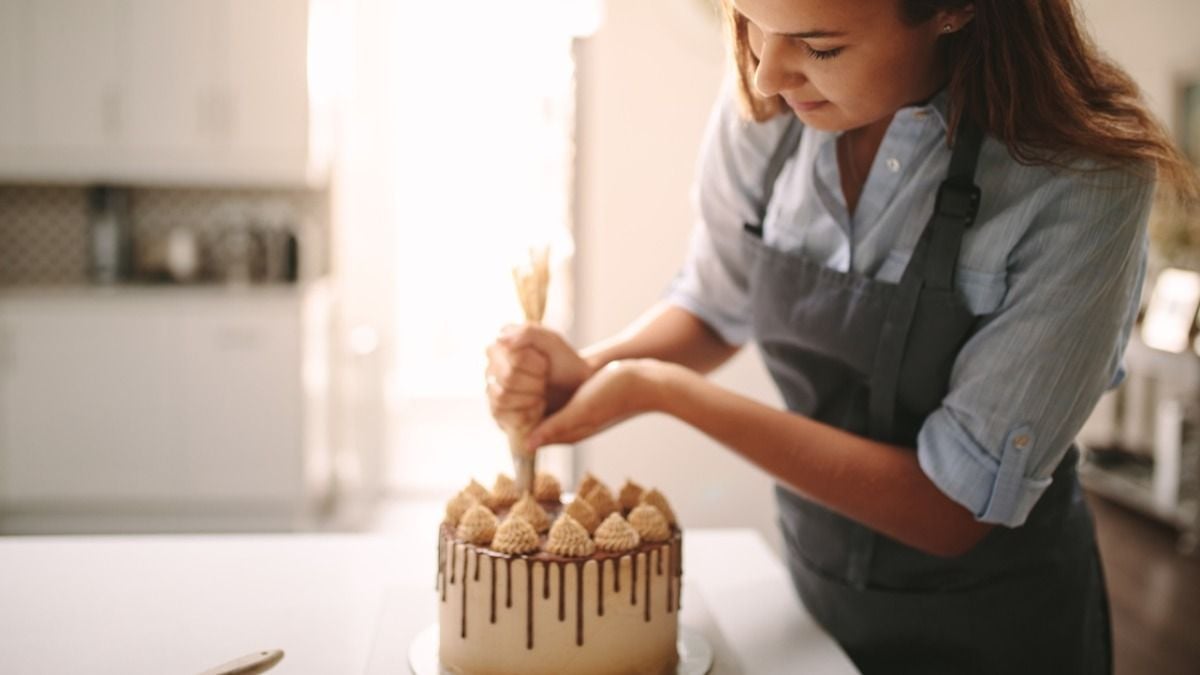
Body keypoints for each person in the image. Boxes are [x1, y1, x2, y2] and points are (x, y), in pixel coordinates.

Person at [485, 1, 1199, 672]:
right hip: (813, 591)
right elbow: (714, 301)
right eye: (750, 22)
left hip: (994, 627)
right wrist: (586, 368)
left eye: (820, 45)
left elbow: (950, 508)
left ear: (954, 10)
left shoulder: (1083, 181)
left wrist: (663, 391)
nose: (767, 71)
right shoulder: (770, 95)